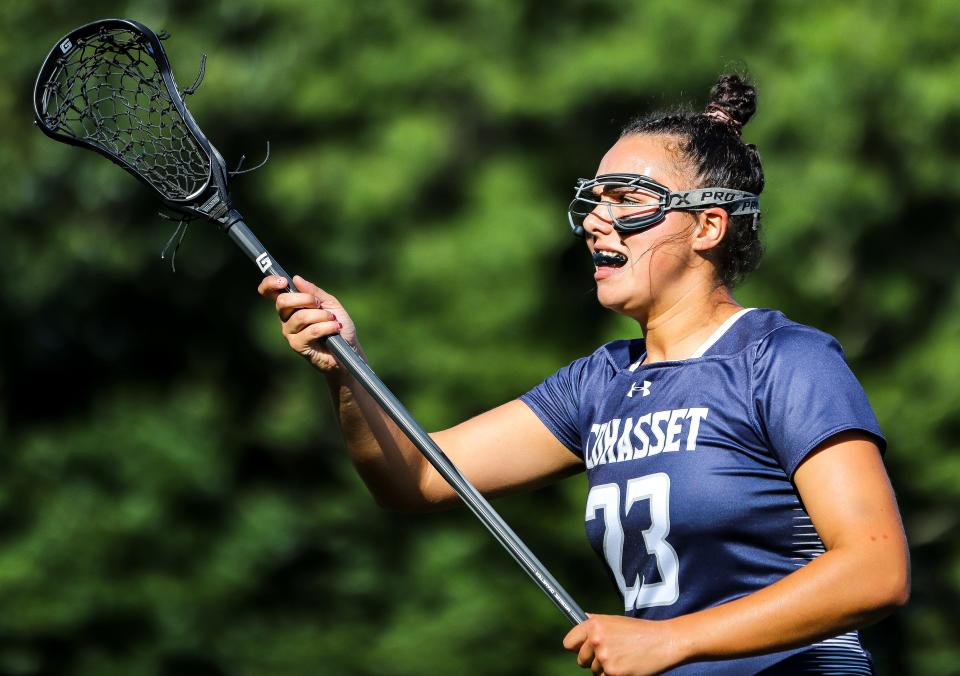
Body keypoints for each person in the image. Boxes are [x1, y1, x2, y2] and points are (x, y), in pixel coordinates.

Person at [257, 74, 910, 675]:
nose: (597, 220)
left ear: (708, 226)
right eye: (593, 200)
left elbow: (876, 569)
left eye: (628, 200)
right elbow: (415, 477)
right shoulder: (599, 386)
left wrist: (672, 638)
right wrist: (347, 367)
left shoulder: (784, 362)